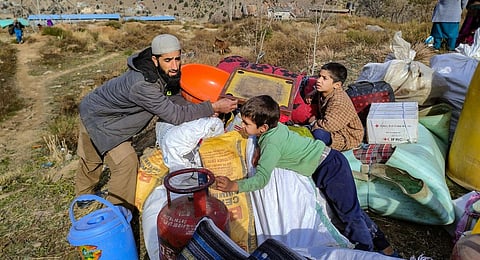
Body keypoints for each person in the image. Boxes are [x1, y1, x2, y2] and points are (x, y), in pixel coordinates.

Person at [215, 95, 397, 257]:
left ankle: (365, 252)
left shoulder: (271, 145)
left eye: (247, 124)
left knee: (349, 214)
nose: (244, 127)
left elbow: (262, 179)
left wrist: (234, 186)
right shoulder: (275, 129)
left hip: (331, 168)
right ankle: (384, 247)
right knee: (348, 210)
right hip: (326, 164)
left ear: (263, 128)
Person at [75, 34, 238, 212]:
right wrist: (211, 106)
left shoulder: (163, 72)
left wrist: (203, 110)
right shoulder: (143, 84)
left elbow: (173, 98)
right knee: (124, 162)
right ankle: (117, 213)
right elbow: (174, 115)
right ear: (155, 59)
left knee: (92, 156)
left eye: (177, 59)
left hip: (110, 114)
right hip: (98, 116)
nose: (174, 65)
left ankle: (85, 198)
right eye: (168, 60)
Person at [305, 62, 363, 151]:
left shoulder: (339, 101)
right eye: (319, 76)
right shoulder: (326, 91)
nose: (318, 80)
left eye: (324, 78)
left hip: (347, 135)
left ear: (337, 85)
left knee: (318, 134)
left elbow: (329, 126)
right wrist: (313, 93)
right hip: (334, 127)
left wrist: (312, 123)